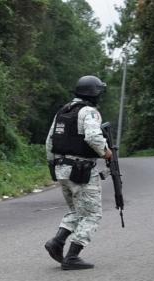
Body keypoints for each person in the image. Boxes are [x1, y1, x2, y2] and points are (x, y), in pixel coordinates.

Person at [44, 75, 113, 270]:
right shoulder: (89, 112)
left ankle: (57, 242)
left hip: (61, 169)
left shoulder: (63, 111)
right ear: (95, 93)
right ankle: (72, 256)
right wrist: (106, 153)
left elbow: (49, 142)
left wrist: (53, 168)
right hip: (81, 170)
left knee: (76, 211)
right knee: (92, 214)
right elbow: (93, 137)